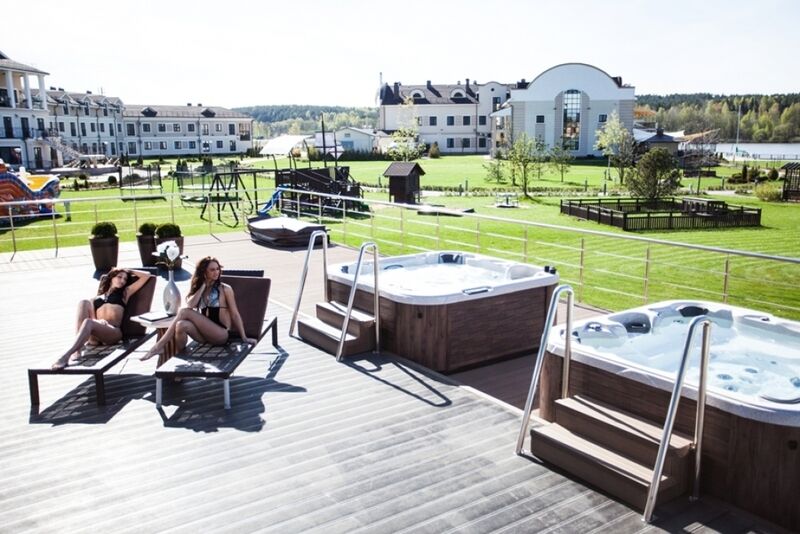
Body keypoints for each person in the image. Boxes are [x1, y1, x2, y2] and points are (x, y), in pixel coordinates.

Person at [140, 256, 256, 361]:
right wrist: (203, 286)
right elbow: (191, 305)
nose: (216, 272)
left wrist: (244, 338)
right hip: (204, 336)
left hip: (220, 334)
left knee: (184, 312)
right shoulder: (200, 289)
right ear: (204, 272)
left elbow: (235, 314)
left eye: (217, 269)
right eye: (212, 270)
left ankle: (159, 346)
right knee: (181, 325)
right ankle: (181, 358)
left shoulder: (225, 289)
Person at [51, 268, 153, 370]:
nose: (122, 281)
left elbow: (147, 275)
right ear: (111, 278)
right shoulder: (95, 299)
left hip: (113, 332)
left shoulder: (125, 293)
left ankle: (66, 356)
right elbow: (92, 319)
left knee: (89, 322)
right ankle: (77, 351)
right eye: (119, 277)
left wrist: (127, 270)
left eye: (125, 279)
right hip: (96, 334)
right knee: (84, 302)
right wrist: (97, 321)